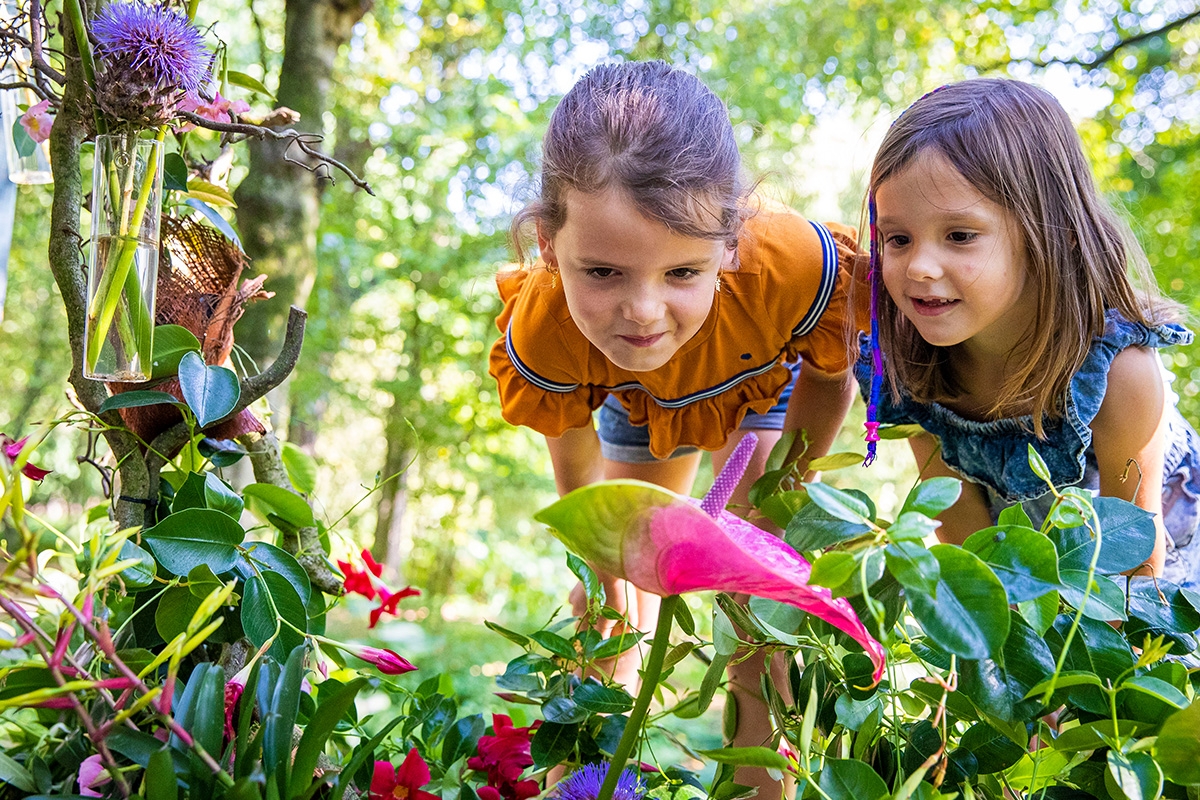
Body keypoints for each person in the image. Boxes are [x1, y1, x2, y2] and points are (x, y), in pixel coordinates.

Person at [488, 60, 864, 798]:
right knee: (615, 596)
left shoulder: (793, 267)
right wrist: (600, 557)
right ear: (546, 244)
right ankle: (583, 781)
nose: (644, 312)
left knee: (758, 601)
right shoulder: (545, 332)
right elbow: (572, 447)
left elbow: (831, 369)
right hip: (632, 400)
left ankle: (765, 788)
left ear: (730, 242)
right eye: (601, 273)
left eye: (682, 273)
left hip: (759, 381)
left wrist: (788, 490)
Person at [858, 78, 1200, 591]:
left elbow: (1137, 559)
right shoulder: (912, 363)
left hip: (1160, 580)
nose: (920, 267)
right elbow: (965, 540)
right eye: (898, 239)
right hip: (1028, 581)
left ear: (1043, 228)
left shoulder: (1116, 370)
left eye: (960, 236)